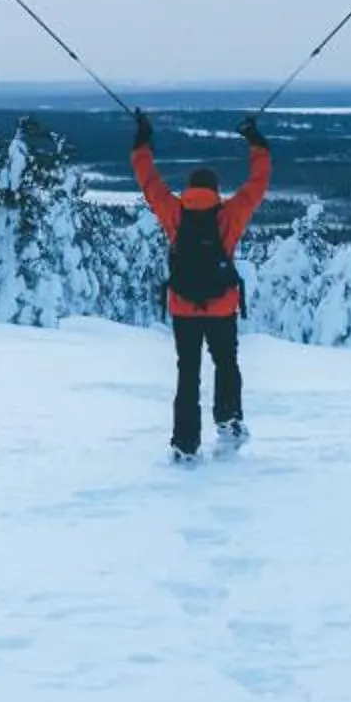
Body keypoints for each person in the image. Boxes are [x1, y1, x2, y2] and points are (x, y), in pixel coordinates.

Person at [131, 111, 273, 463]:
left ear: (190, 189)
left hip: (183, 307)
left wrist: (142, 140)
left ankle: (185, 445)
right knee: (226, 363)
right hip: (222, 306)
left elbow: (148, 181)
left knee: (188, 374)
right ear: (214, 190)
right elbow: (258, 184)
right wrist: (256, 143)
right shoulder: (229, 215)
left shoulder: (174, 212)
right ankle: (228, 421)